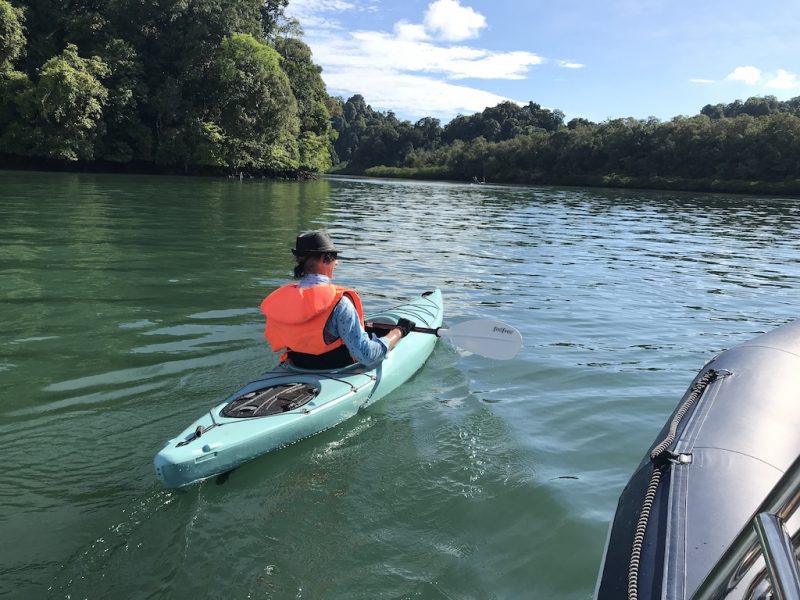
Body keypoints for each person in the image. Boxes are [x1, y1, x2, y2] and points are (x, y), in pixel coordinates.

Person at [260, 231, 415, 369]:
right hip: (334, 368)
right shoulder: (340, 303)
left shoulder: (283, 299)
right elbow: (366, 356)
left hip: (297, 364)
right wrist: (398, 331)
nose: (337, 262)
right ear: (323, 259)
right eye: (334, 257)